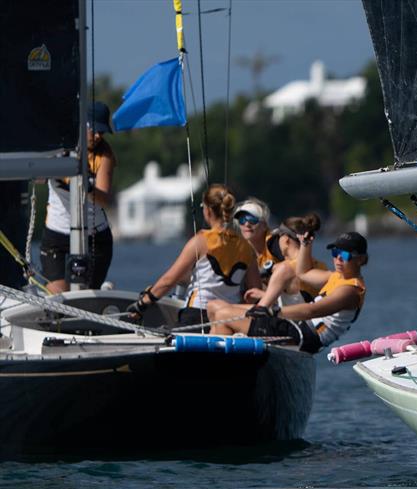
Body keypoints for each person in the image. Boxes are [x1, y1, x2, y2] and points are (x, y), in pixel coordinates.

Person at [207, 231, 368, 354]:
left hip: (304, 335)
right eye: (335, 253)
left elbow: (310, 311)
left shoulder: (351, 291)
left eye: (345, 255)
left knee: (224, 316)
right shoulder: (335, 276)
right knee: (215, 307)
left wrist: (272, 311)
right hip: (297, 326)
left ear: (360, 259)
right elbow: (303, 272)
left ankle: (224, 377)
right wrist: (305, 245)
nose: (338, 259)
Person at [127, 184, 260, 324]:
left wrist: (143, 303)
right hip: (230, 318)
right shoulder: (247, 247)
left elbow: (169, 280)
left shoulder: (200, 241)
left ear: (208, 211)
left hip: (197, 315)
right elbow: (254, 292)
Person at [40, 101, 116, 293]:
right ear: (82, 125)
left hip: (94, 236)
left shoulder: (104, 155)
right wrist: (51, 165)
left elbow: (104, 198)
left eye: (102, 132)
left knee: (84, 298)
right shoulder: (58, 145)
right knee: (58, 299)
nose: (98, 136)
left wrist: (87, 186)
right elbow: (38, 179)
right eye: (94, 130)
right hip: (57, 233)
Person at [207, 213, 329, 322]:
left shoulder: (284, 268)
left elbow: (261, 311)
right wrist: (263, 295)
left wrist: (231, 312)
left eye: (278, 237)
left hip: (288, 327)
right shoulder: (321, 268)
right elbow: (299, 299)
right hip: (306, 326)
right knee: (218, 307)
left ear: (286, 240)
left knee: (216, 309)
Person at [233, 198, 271, 273]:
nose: (247, 224)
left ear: (264, 225)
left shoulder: (276, 243)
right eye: (242, 220)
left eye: (252, 219)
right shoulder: (238, 254)